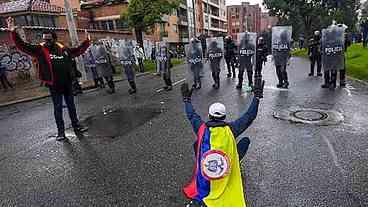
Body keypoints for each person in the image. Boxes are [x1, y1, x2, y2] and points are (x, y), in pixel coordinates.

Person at [181, 76, 264, 207]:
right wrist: (257, 98)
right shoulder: (232, 129)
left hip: (208, 166)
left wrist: (186, 100)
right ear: (224, 116)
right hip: (227, 162)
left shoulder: (201, 128)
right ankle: (236, 160)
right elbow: (249, 116)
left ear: (209, 115)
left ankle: (202, 163)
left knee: (197, 143)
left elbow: (192, 115)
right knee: (245, 141)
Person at [7, 17, 89, 141]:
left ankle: (76, 126)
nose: (46, 42)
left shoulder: (62, 48)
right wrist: (13, 32)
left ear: (54, 39)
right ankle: (61, 133)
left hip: (67, 83)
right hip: (54, 85)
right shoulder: (39, 49)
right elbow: (22, 46)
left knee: (71, 106)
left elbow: (77, 51)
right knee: (58, 108)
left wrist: (87, 41)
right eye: (44, 39)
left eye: (49, 39)